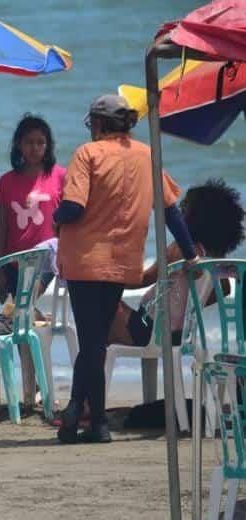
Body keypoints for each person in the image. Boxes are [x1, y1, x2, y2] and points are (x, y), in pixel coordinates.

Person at [55, 94, 199, 444]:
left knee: (92, 343)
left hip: (86, 261)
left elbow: (73, 207)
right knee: (95, 340)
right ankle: (83, 418)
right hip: (122, 263)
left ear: (100, 123)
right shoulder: (147, 156)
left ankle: (90, 418)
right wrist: (191, 252)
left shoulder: (87, 154)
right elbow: (171, 211)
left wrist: (55, 217)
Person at [109, 178, 245, 347]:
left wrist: (110, 281)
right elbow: (224, 289)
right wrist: (190, 309)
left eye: (184, 207)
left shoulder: (182, 250)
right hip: (181, 335)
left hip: (149, 332)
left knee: (102, 302)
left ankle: (94, 364)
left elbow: (144, 279)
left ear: (197, 217)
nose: (179, 211)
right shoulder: (216, 260)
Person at [0, 114, 66, 298]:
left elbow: (68, 219)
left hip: (47, 260)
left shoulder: (60, 175)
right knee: (15, 313)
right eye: (29, 142)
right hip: (14, 260)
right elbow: (2, 227)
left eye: (40, 142)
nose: (35, 148)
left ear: (48, 146)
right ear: (19, 144)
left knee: (23, 305)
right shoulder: (6, 181)